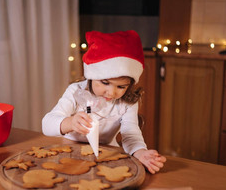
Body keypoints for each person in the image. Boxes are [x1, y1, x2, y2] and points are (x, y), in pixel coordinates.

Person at [42, 30, 166, 174]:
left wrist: (140, 152)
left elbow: (130, 134)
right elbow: (47, 124)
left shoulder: (128, 102)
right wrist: (70, 122)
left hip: (105, 155)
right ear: (92, 75)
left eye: (121, 86)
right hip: (70, 152)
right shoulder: (75, 91)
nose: (112, 92)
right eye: (105, 82)